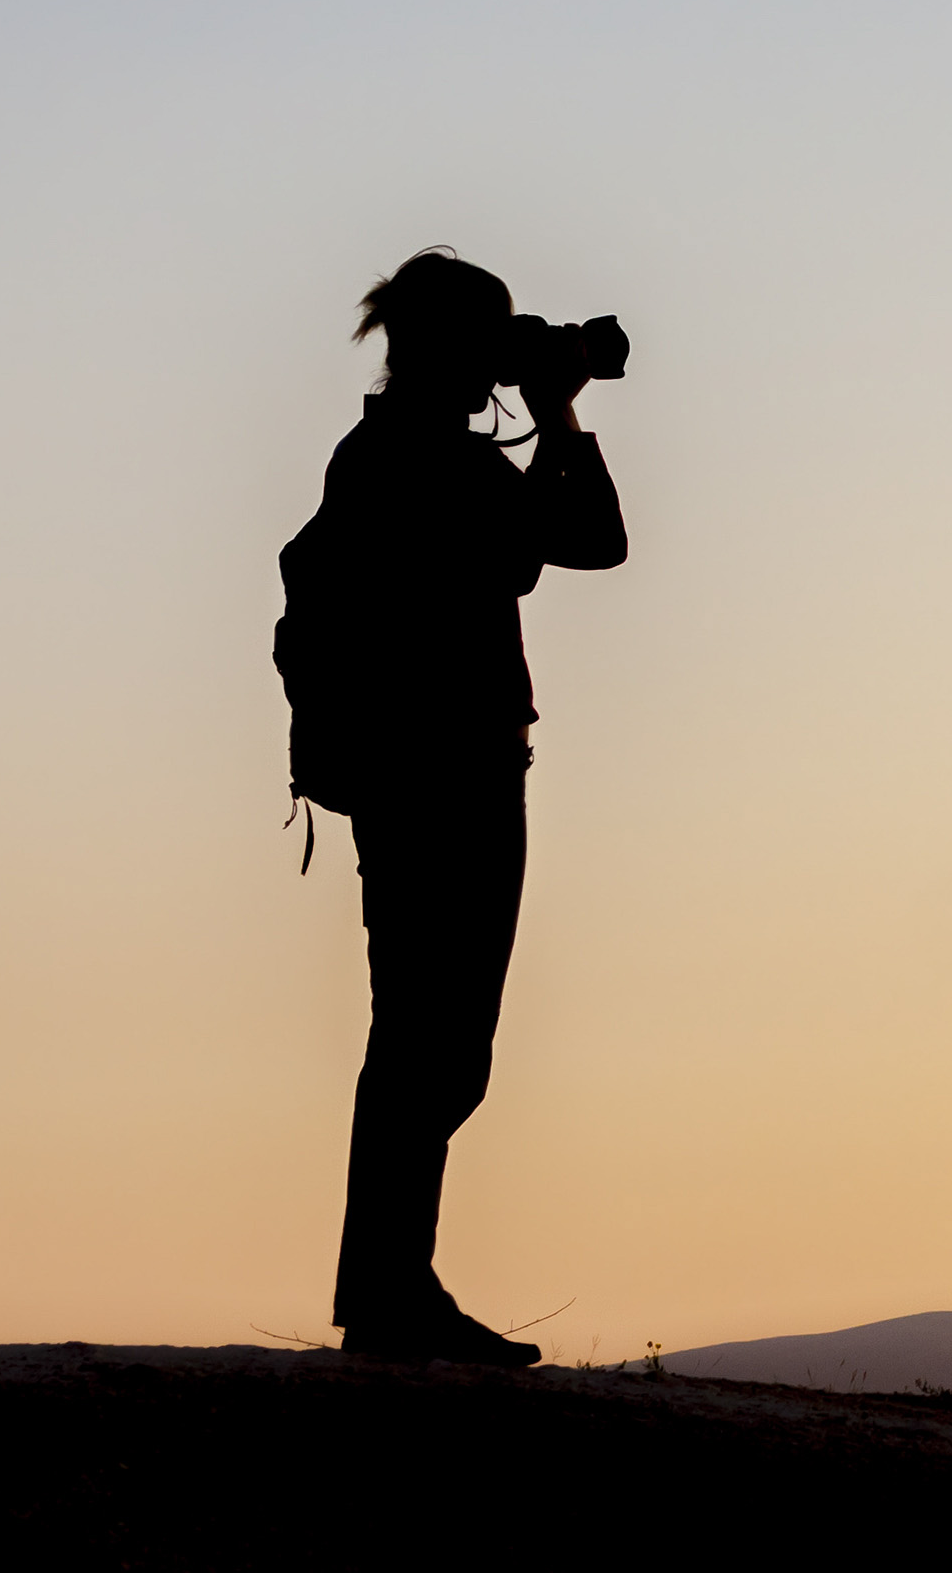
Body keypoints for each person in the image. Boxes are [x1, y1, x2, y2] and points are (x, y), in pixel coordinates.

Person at [275, 248, 627, 1365]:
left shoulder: (382, 454)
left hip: (424, 776)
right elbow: (582, 545)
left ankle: (386, 1289)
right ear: (452, 348)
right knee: (432, 1042)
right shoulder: (422, 462)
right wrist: (559, 413)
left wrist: (545, 415)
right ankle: (388, 1296)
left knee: (428, 1040)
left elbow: (579, 547)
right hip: (450, 777)